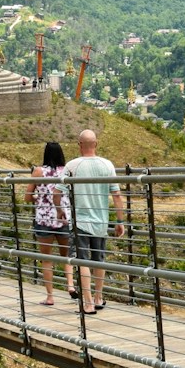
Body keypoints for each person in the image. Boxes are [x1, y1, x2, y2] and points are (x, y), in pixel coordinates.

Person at [63, 129, 122, 313]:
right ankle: (98, 297)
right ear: (96, 144)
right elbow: (117, 194)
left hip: (80, 221)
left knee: (83, 262)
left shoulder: (72, 165)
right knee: (99, 261)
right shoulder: (107, 165)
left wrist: (59, 212)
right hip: (101, 221)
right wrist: (120, 221)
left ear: (79, 145)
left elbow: (57, 192)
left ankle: (87, 304)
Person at [26, 141, 72, 305]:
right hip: (63, 217)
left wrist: (38, 197)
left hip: (44, 219)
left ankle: (50, 297)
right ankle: (71, 286)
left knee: (46, 259)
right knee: (67, 257)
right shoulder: (67, 171)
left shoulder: (38, 171)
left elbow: (27, 196)